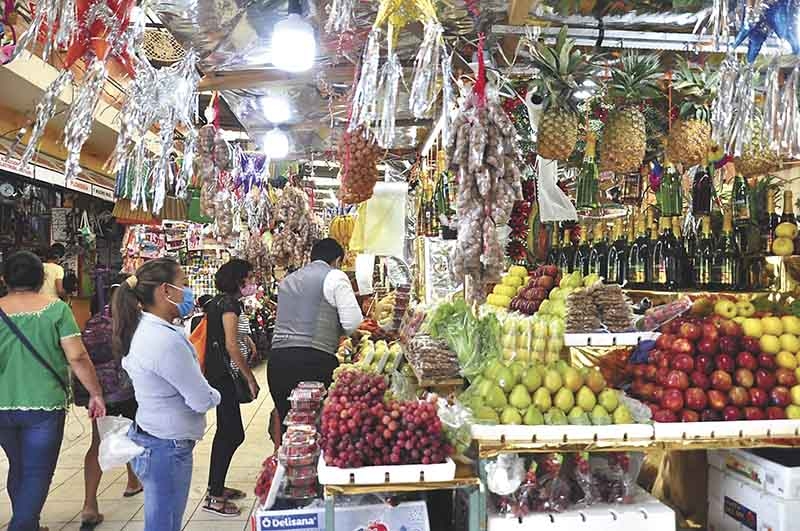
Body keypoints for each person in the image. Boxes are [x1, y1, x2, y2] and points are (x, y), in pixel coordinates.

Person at [0, 251, 106, 531]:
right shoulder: (57, 309)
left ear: (4, 279)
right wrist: (95, 393)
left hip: (1, 405)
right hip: (44, 404)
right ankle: (21, 526)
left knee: (18, 465)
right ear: (43, 277)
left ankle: (28, 523)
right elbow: (78, 357)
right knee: (36, 471)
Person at [114, 258, 221, 531]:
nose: (187, 292)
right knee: (164, 522)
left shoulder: (142, 328)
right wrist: (214, 395)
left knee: (163, 518)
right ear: (165, 291)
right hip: (167, 446)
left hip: (153, 435)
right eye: (183, 285)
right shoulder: (165, 340)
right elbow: (200, 399)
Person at [269, 238, 363, 437]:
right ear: (337, 260)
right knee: (317, 430)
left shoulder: (288, 280)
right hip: (312, 362)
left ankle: (287, 467)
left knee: (292, 432)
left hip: (277, 363)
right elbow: (353, 322)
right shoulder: (334, 276)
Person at [79, 282, 142, 529]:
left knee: (98, 442)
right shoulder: (133, 321)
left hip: (100, 393)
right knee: (134, 435)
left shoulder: (94, 321)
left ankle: (89, 505)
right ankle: (133, 481)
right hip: (127, 390)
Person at [202, 259, 260, 517]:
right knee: (232, 432)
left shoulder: (218, 302)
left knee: (228, 431)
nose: (252, 282)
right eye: (249, 277)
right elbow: (230, 345)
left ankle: (216, 487)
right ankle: (214, 497)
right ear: (239, 280)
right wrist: (250, 378)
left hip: (217, 374)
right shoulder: (228, 304)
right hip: (222, 375)